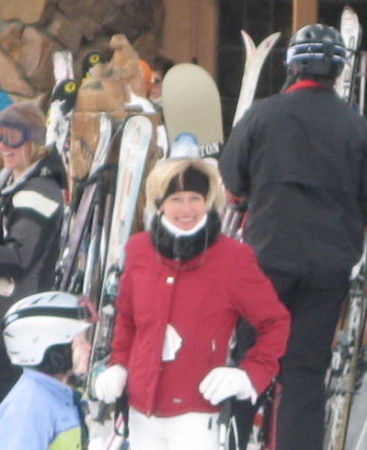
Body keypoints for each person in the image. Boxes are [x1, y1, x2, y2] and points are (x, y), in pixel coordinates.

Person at [218, 23, 367, 450]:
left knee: (252, 357)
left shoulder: (262, 115)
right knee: (304, 370)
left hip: (266, 261)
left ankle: (238, 439)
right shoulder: (356, 126)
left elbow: (232, 182)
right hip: (328, 267)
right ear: (338, 71)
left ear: (291, 65)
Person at [94, 158, 290, 450]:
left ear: (208, 201)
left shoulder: (233, 258)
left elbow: (275, 322)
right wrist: (119, 365)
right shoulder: (139, 250)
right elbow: (127, 319)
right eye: (176, 199)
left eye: (195, 198)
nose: (186, 209)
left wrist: (250, 373)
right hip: (140, 412)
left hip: (197, 415)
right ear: (159, 203)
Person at [0, 101, 67, 401]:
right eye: (0, 137)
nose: (5, 147)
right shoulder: (9, 183)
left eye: (13, 137)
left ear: (34, 141)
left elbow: (18, 257)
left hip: (21, 315)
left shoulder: (40, 190)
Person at [0, 291, 97, 449]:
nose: (88, 347)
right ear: (56, 351)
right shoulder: (29, 408)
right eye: (80, 341)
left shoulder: (65, 392)